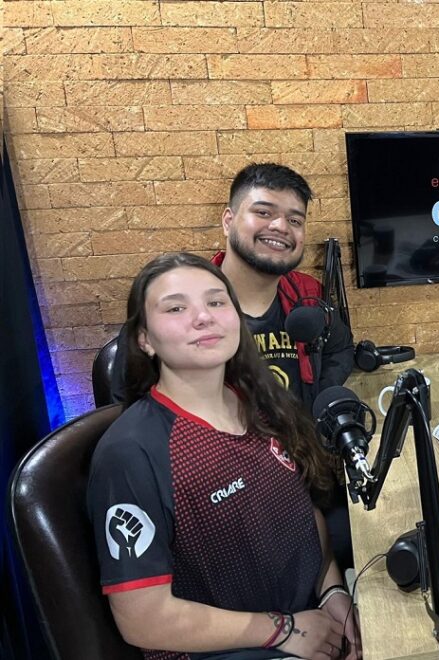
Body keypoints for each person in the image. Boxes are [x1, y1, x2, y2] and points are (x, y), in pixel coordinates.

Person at [87, 252, 360, 660]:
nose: (203, 317)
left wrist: (332, 591)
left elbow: (303, 516)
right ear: (144, 338)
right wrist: (285, 631)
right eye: (176, 307)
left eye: (216, 302)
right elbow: (143, 617)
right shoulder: (131, 452)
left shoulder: (262, 405)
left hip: (306, 619)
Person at [215, 163, 354, 406]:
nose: (281, 227)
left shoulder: (309, 293)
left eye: (294, 220)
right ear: (228, 222)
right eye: (263, 213)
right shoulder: (183, 303)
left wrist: (317, 401)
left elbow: (340, 348)